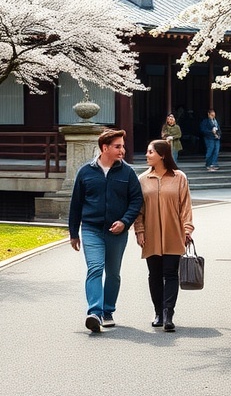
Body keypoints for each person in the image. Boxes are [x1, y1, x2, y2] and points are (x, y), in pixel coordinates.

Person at [69, 129, 143, 333]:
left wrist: (125, 222)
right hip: (91, 229)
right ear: (105, 148)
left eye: (122, 146)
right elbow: (76, 203)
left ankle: (108, 311)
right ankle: (94, 312)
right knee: (95, 268)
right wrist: (74, 232)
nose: (122, 150)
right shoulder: (85, 172)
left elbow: (137, 200)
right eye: (118, 146)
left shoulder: (127, 172)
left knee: (113, 274)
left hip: (117, 232)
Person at [134, 139, 194, 332]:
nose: (146, 155)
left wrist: (187, 229)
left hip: (173, 232)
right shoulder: (143, 179)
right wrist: (139, 231)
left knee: (170, 273)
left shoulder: (179, 177)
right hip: (150, 234)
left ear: (162, 155)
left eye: (150, 152)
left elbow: (186, 206)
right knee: (154, 274)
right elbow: (138, 209)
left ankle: (169, 314)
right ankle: (158, 312)